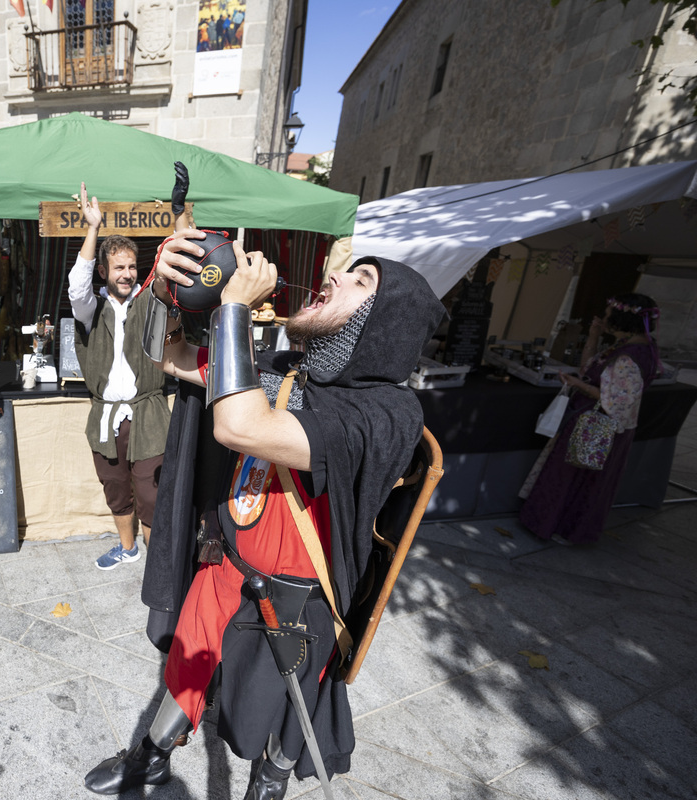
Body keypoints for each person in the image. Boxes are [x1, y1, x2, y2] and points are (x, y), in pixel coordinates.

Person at [83, 230, 444, 797]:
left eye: (361, 280)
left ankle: (265, 789)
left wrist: (231, 308)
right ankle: (149, 757)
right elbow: (166, 355)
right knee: (185, 666)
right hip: (224, 563)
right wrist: (165, 290)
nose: (337, 275)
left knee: (275, 713)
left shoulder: (385, 414)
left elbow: (240, 425)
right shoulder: (282, 373)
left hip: (299, 605)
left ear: (386, 323)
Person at [68, 182, 168, 570]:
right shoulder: (91, 310)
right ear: (104, 271)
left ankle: (157, 564)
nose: (126, 274)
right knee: (115, 488)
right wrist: (92, 228)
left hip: (149, 414)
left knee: (152, 493)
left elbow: (170, 283)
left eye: (131, 267)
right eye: (119, 267)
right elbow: (77, 286)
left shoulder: (150, 301)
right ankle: (128, 549)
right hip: (106, 415)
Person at [519, 293, 661, 544]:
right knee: (574, 475)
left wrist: (578, 385)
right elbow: (590, 369)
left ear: (621, 319)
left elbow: (616, 401)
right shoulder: (628, 347)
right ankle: (554, 524)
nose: (604, 319)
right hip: (593, 423)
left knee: (576, 477)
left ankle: (561, 527)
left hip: (597, 428)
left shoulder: (630, 356)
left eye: (607, 316)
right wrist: (594, 335)